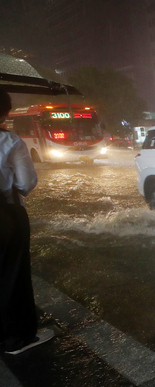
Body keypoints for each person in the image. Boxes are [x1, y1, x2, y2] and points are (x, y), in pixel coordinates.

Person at [0, 89, 54, 354]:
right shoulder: (10, 142)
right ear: (5, 111)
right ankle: (17, 339)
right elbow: (26, 183)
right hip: (6, 217)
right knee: (13, 276)